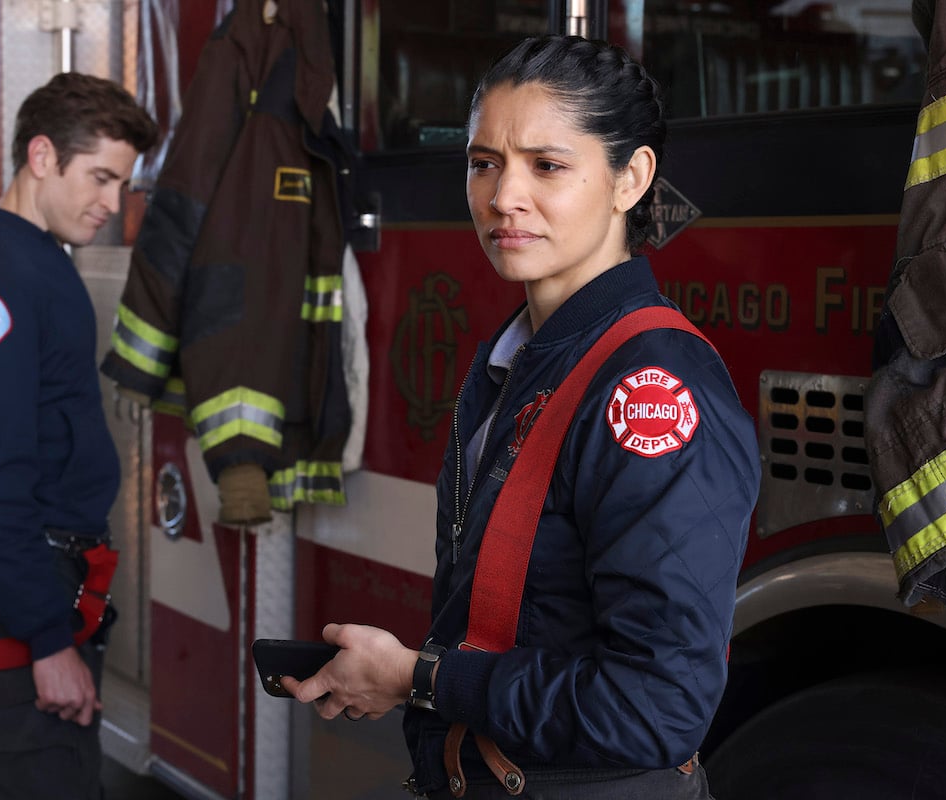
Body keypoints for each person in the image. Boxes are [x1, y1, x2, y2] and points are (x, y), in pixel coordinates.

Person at [283, 35, 760, 799]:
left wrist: (419, 676)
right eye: (483, 163)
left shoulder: (650, 387)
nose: (504, 195)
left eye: (547, 166)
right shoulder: (523, 356)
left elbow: (657, 708)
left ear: (630, 179)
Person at [0, 72, 158, 799]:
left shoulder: (27, 267)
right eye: (101, 178)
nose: (113, 205)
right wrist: (46, 643)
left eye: (123, 184)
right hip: (8, 611)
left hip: (27, 594)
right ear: (42, 156)